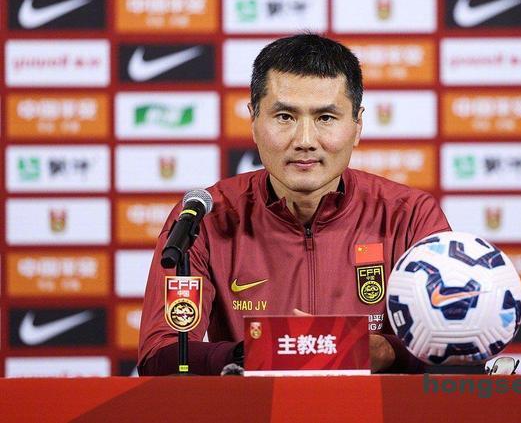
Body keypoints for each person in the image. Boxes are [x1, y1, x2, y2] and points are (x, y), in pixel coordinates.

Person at [138, 34, 451, 375]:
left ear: (357, 125)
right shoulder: (207, 219)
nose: (304, 141)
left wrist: (379, 349)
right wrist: (260, 351)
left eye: (325, 118)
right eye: (285, 116)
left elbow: (453, 343)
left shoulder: (409, 215)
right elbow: (159, 353)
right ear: (253, 120)